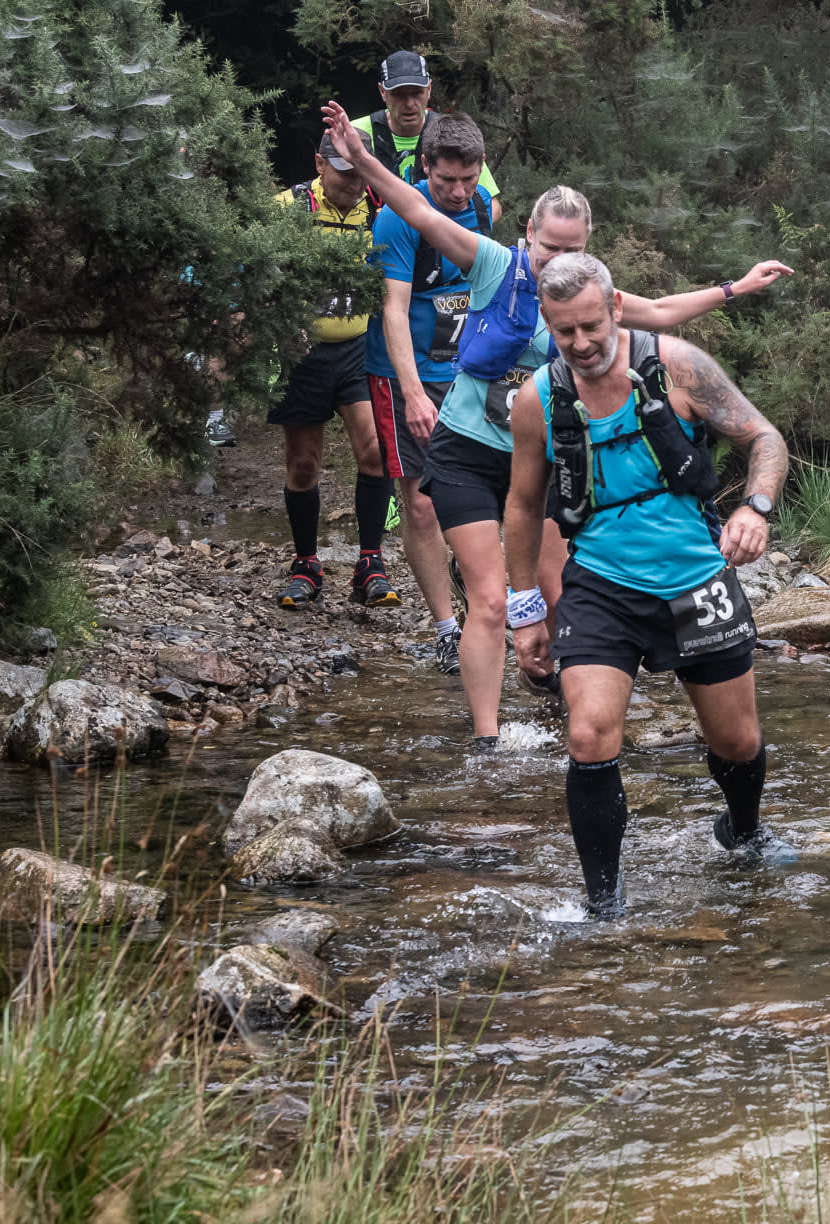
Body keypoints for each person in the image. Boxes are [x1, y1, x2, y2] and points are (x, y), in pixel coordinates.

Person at [318, 101, 793, 748]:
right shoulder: (493, 264)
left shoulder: (590, 299)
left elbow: (659, 311)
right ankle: (488, 741)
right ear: (528, 235)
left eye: (572, 250)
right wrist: (366, 158)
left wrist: (734, 288)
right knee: (488, 598)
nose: (556, 261)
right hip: (465, 451)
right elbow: (421, 212)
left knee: (557, 592)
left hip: (538, 466)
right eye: (548, 247)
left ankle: (576, 708)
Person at [503, 254, 791, 914]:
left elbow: (765, 438)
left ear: (615, 307)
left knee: (737, 742)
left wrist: (756, 507)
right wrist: (525, 609)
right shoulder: (537, 400)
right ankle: (603, 901)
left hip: (695, 577)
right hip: (601, 587)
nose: (579, 344)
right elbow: (523, 505)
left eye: (590, 328)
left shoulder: (679, 367)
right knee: (589, 734)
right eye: (563, 332)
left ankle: (742, 832)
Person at [364, 111, 495, 674]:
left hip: (466, 371)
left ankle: (475, 584)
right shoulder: (397, 221)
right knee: (418, 501)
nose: (459, 193)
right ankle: (445, 628)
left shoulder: (484, 208)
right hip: (404, 373)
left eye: (468, 180)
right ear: (425, 169)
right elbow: (393, 309)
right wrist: (414, 394)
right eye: (446, 182)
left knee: (480, 486)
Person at [270, 127, 395, 609]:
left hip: (358, 348)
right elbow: (257, 269)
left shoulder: (378, 211)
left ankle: (370, 562)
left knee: (375, 451)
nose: (350, 183)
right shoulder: (289, 208)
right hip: (301, 351)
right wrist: (282, 320)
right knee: (303, 465)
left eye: (357, 172)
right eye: (342, 173)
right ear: (320, 166)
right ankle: (306, 563)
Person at [351, 51, 502, 224]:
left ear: (429, 89)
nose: (409, 104)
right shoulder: (356, 134)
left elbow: (493, 205)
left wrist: (455, 237)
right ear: (382, 92)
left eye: (416, 93)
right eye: (398, 94)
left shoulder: (450, 133)